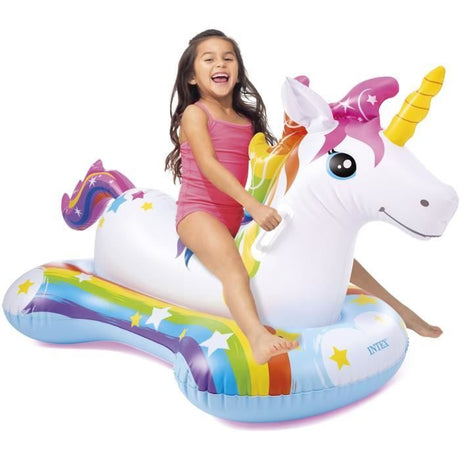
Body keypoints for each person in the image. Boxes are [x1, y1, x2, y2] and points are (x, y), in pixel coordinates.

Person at [165, 29, 442, 365]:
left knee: (335, 254)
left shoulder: (246, 120)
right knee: (235, 272)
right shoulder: (195, 114)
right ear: (192, 77)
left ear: (237, 71)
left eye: (228, 58)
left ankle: (404, 313)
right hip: (200, 213)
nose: (220, 64)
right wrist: (253, 206)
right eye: (209, 59)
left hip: (239, 211)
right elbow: (209, 165)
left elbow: (267, 166)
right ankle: (258, 338)